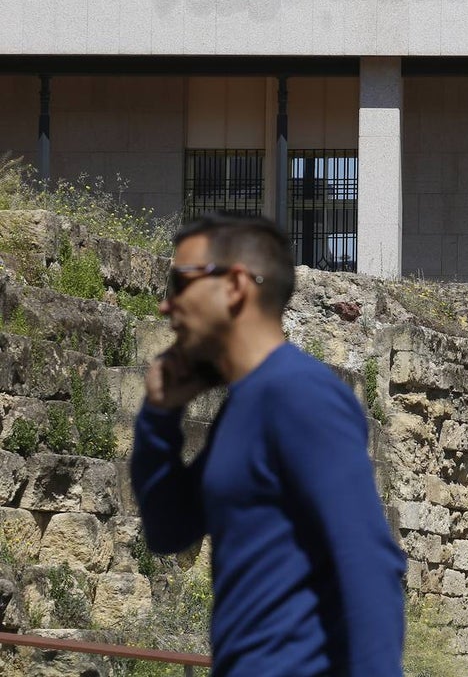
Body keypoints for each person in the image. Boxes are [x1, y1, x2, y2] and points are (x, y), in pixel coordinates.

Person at [131, 213, 406, 676]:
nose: (165, 305)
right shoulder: (245, 404)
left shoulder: (298, 394)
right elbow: (169, 530)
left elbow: (368, 563)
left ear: (235, 286)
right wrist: (159, 417)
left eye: (179, 283)